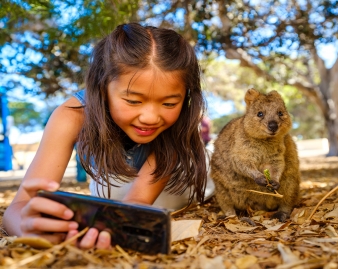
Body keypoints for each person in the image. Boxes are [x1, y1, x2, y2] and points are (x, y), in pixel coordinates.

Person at [3, 23, 211, 249]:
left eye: (169, 103)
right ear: (102, 87)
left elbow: (138, 201)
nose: (151, 117)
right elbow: (19, 206)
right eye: (133, 101)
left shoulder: (177, 123)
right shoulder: (71, 116)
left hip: (183, 177)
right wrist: (28, 228)